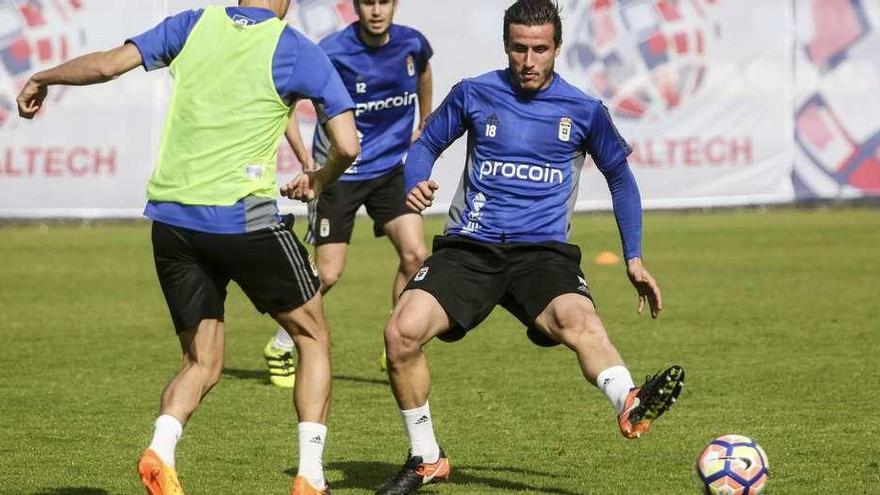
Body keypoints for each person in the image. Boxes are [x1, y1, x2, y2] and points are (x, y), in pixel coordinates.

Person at [16, 1, 359, 494]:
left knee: (202, 362)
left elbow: (110, 63)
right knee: (312, 337)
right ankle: (311, 476)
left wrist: (45, 76)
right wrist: (320, 178)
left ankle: (161, 449)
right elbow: (347, 144)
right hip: (244, 219)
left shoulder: (192, 23)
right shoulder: (296, 48)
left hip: (173, 222)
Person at [375, 1, 685, 493]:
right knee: (400, 334)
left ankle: (628, 401)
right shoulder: (474, 93)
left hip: (542, 254)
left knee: (578, 321)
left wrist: (634, 258)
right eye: (519, 48)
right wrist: (417, 181)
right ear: (506, 46)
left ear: (557, 48)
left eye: (540, 49)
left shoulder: (584, 110)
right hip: (471, 249)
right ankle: (426, 456)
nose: (529, 60)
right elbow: (425, 144)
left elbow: (621, 181)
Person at [263, 0, 434, 388]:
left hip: (391, 169)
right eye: (367, 2)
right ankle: (281, 343)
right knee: (328, 273)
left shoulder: (413, 44)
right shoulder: (332, 50)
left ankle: (398, 342)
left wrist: (424, 121)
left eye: (383, 2)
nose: (376, 10)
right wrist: (306, 156)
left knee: (415, 255)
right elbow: (287, 102)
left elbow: (423, 73)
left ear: (394, 5)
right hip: (340, 172)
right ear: (356, 6)